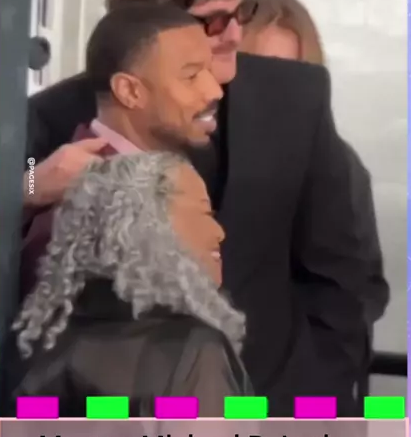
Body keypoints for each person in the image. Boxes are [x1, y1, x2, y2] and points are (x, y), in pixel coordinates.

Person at [21, 0, 389, 416]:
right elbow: (11, 219)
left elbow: (344, 274)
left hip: (282, 413)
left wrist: (314, 397)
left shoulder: (295, 97)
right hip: (122, 429)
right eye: (213, 22)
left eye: (242, 11)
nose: (235, 33)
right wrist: (31, 185)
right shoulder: (54, 114)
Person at [13, 152, 250, 417]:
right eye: (204, 213)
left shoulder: (36, 348)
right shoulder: (193, 352)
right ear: (151, 224)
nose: (219, 232)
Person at [240, 0, 390, 395]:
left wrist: (317, 371)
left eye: (291, 72)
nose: (276, 88)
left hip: (293, 394)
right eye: (257, 68)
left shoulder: (339, 166)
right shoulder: (200, 152)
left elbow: (364, 288)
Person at [20, 0, 222, 301]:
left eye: (210, 70)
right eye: (191, 76)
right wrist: (28, 188)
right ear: (129, 91)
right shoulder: (75, 214)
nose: (215, 90)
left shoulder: (193, 163)